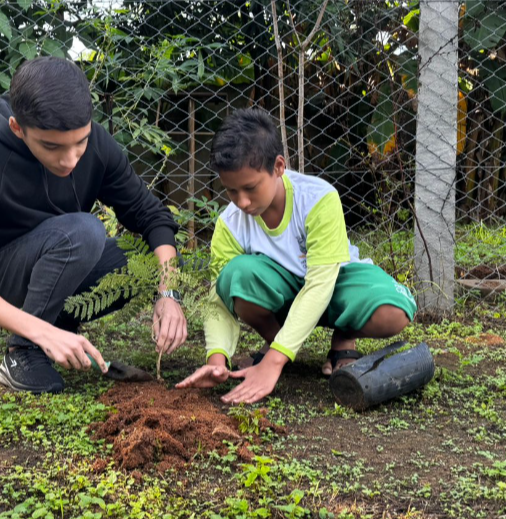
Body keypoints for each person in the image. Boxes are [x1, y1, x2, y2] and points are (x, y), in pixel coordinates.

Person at [0, 57, 187, 393]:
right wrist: (40, 332)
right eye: (51, 146)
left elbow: (151, 215)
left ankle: (59, 322)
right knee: (85, 232)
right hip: (4, 274)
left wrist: (169, 293)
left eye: (80, 142)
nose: (70, 159)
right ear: (17, 128)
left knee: (153, 259)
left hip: (61, 257)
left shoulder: (97, 144)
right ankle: (23, 350)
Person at [176, 109, 416, 404]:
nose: (242, 202)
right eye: (231, 191)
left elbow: (320, 285)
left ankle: (341, 337)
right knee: (235, 276)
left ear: (278, 166)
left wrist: (273, 361)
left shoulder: (318, 198)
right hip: (283, 295)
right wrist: (216, 360)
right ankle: (278, 340)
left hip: (333, 286)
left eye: (250, 188)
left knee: (394, 312)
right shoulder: (230, 223)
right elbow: (219, 299)